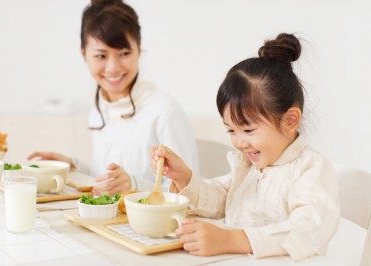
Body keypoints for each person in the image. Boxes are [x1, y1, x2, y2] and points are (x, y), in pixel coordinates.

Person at [150, 33, 340, 261]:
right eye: (231, 130)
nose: (239, 142)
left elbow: (307, 229)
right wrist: (184, 177)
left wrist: (231, 240)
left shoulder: (311, 169)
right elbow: (222, 198)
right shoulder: (248, 165)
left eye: (248, 130)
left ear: (290, 120)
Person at [28, 0, 199, 195]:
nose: (113, 68)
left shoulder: (164, 112)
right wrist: (74, 167)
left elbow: (190, 195)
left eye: (124, 53)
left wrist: (133, 185)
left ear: (139, 50)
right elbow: (109, 181)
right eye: (101, 56)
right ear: (84, 54)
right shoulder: (100, 109)